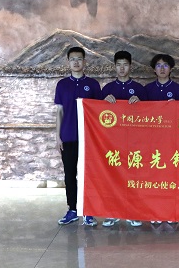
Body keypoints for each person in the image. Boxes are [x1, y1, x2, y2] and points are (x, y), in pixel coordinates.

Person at [55, 46, 102, 227]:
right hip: (67, 136)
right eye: (73, 59)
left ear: (85, 62)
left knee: (89, 175)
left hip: (89, 138)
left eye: (79, 59)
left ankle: (88, 211)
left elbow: (99, 112)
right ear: (68, 62)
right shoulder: (62, 85)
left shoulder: (93, 84)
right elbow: (59, 112)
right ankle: (72, 210)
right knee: (69, 174)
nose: (76, 62)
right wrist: (57, 136)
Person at [101, 50, 146, 228]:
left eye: (125, 64)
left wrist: (140, 102)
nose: (122, 68)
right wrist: (103, 102)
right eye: (118, 64)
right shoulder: (107, 89)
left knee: (133, 177)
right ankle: (112, 213)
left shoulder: (140, 89)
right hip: (112, 143)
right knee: (112, 177)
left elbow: (150, 114)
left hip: (134, 142)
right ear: (114, 66)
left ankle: (132, 212)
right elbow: (97, 115)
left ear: (130, 66)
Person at [145, 53, 179, 225]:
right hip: (152, 141)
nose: (162, 68)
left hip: (172, 141)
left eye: (165, 65)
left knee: (171, 177)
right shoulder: (147, 89)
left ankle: (170, 212)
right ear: (154, 69)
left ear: (171, 69)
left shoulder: (178, 89)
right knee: (154, 177)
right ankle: (155, 212)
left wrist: (175, 107)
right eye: (159, 65)